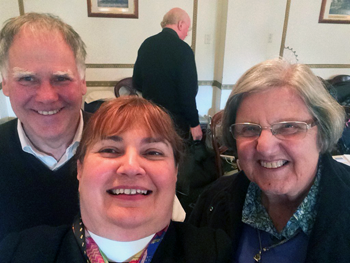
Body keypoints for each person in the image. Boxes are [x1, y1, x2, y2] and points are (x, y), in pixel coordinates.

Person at [0, 96, 232, 263]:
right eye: (110, 150)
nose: (131, 167)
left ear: (175, 172)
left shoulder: (215, 252)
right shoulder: (21, 252)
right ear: (79, 169)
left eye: (153, 152)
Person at [189, 58, 350, 262]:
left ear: (322, 132)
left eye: (288, 126)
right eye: (249, 128)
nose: (264, 146)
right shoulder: (214, 201)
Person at [0, 13, 88, 241]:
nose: (47, 97)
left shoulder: (122, 143)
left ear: (82, 82)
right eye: (27, 79)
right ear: (5, 83)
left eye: (61, 78)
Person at [133, 7, 202, 141]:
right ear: (180, 24)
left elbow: (136, 82)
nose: (187, 34)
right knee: (175, 158)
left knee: (153, 154)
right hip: (176, 123)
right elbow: (188, 92)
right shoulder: (184, 50)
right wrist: (195, 124)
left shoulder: (146, 44)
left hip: (150, 118)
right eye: (188, 29)